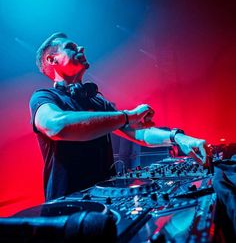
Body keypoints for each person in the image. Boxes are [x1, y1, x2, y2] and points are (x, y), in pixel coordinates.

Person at [29, 32, 207, 201]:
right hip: (67, 207)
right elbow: (56, 126)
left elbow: (141, 133)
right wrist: (127, 116)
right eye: (71, 47)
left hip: (104, 200)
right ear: (52, 59)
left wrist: (178, 137)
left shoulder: (98, 103)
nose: (81, 48)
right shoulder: (44, 98)